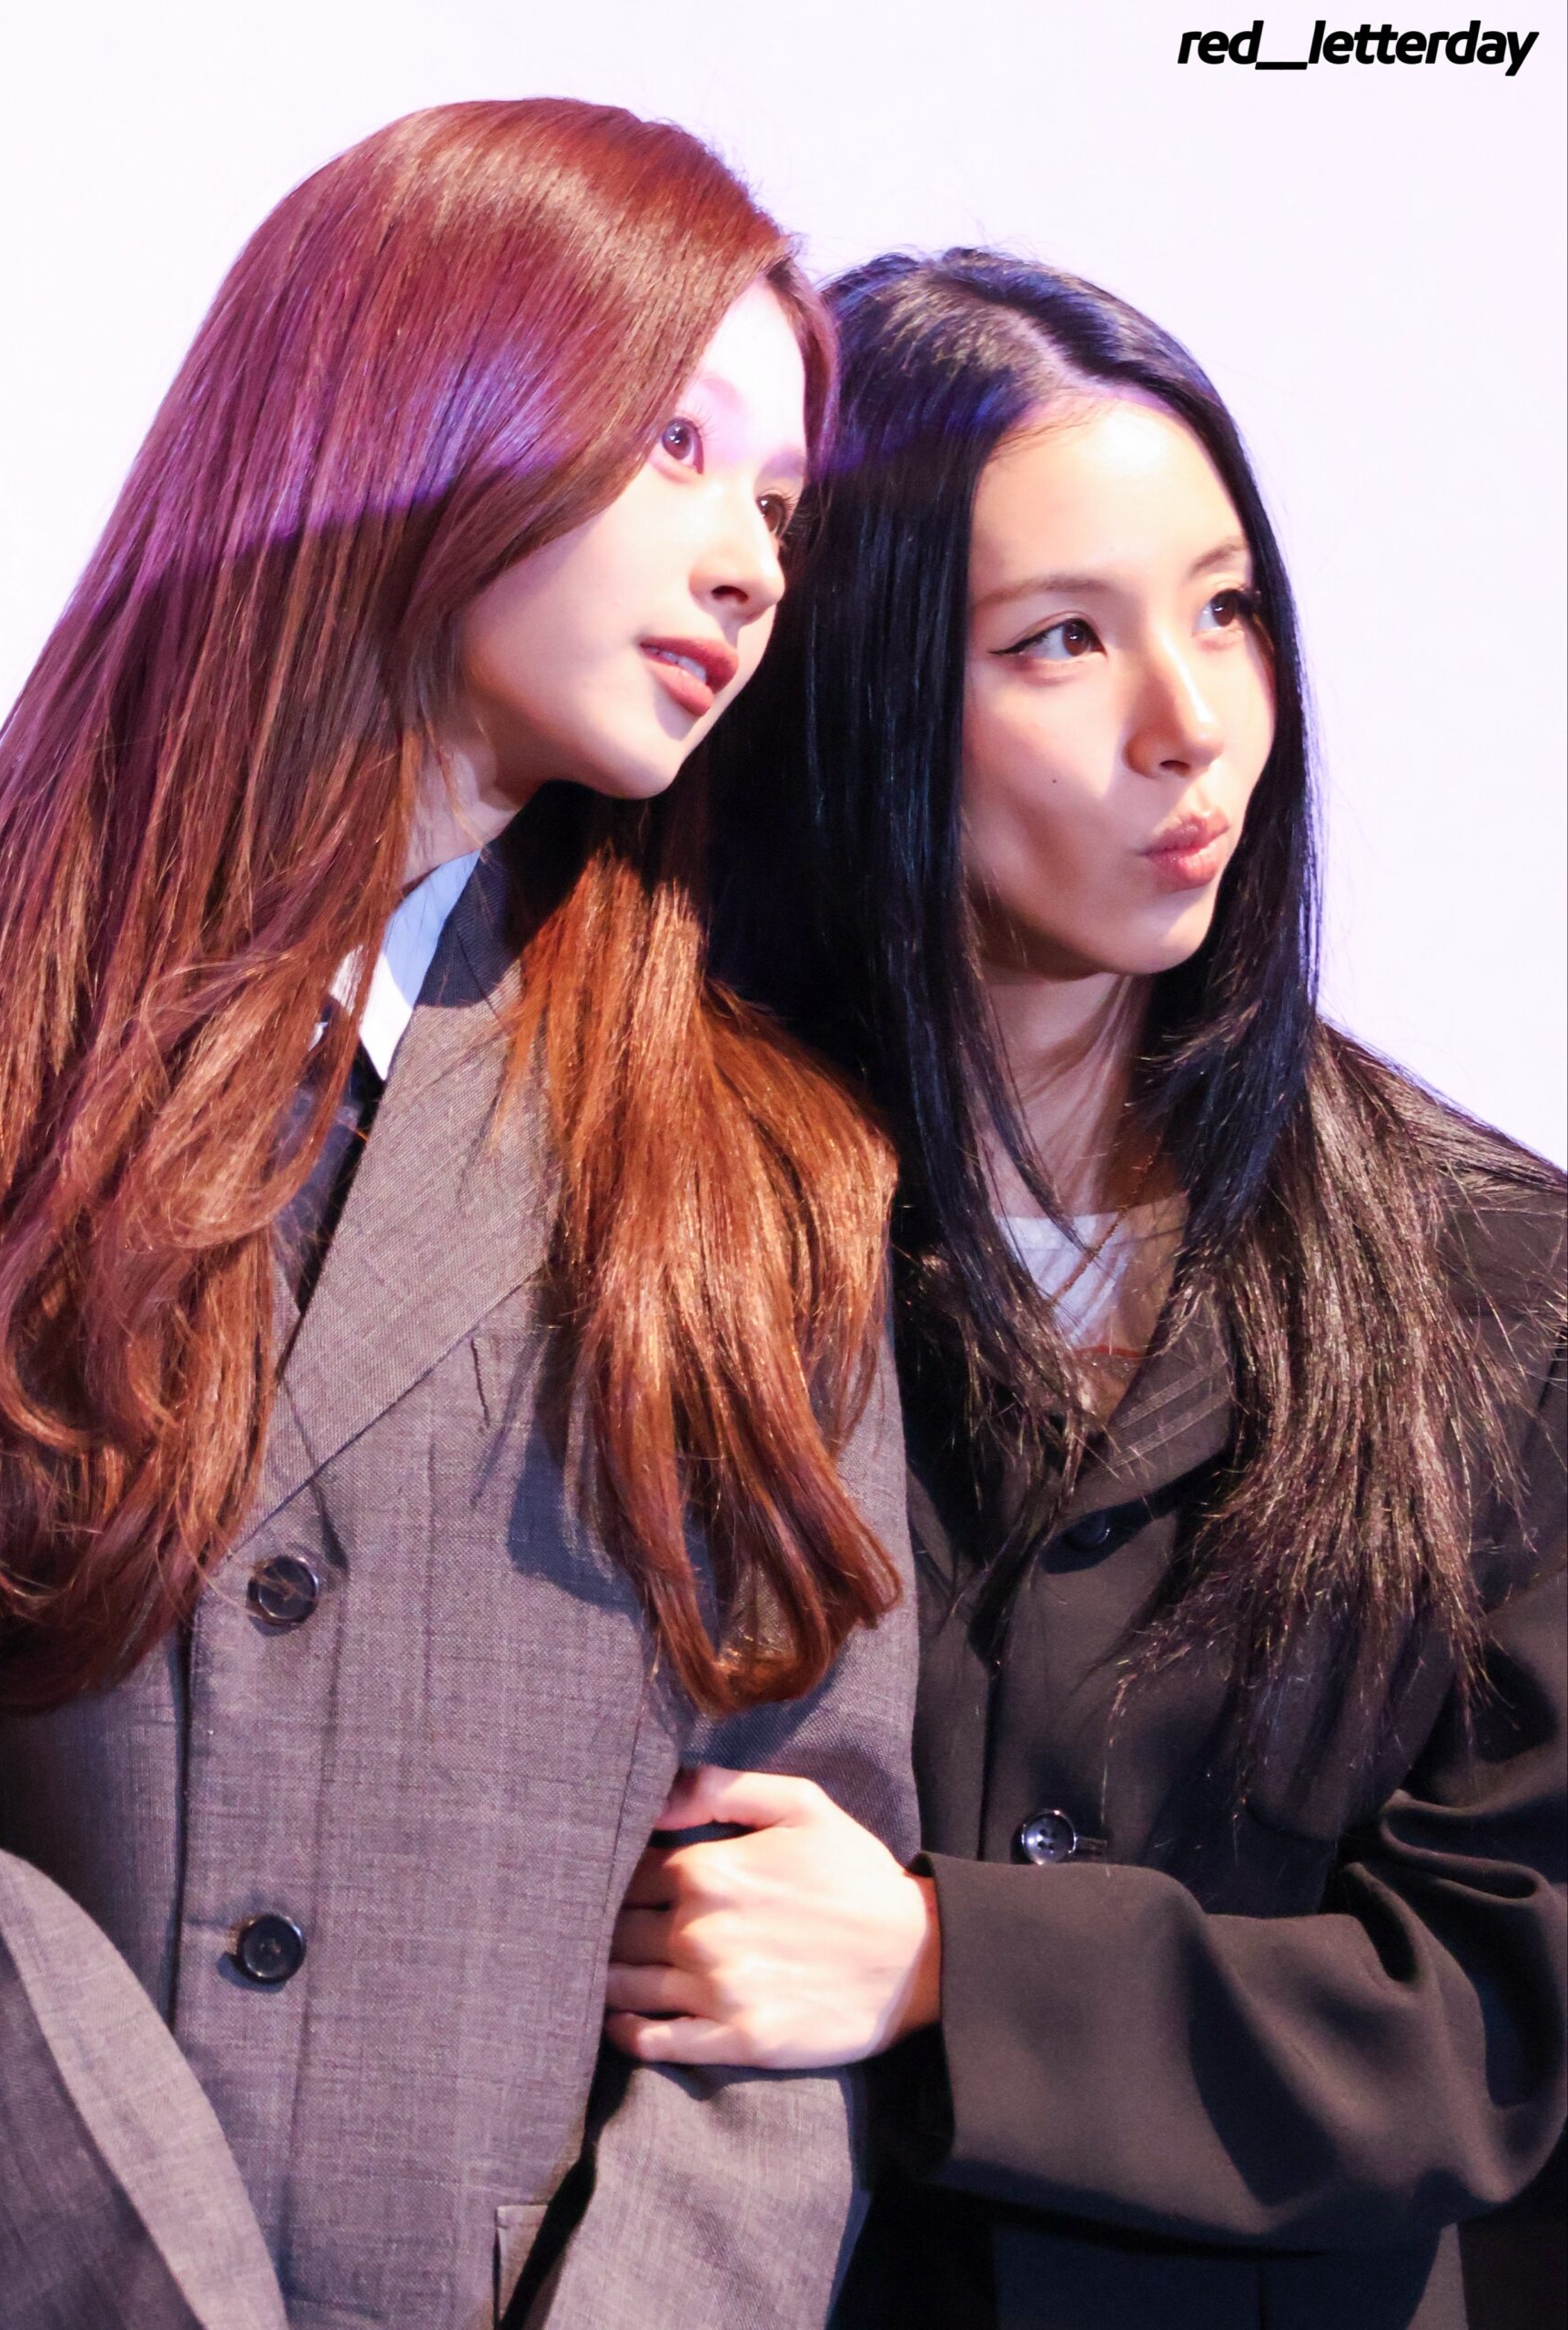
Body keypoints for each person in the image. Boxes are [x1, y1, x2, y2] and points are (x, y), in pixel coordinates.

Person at [0, 106, 920, 2328]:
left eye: (779, 508)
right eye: (676, 445)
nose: (746, 566)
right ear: (410, 402)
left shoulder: (761, 1182)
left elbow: (777, 1911)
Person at [604, 248, 1567, 2330]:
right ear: (856, 692)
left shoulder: (1496, 1276)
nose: (1189, 722)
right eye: (1062, 639)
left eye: (1225, 608)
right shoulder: (645, 1232)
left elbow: (1508, 2008)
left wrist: (946, 1964)